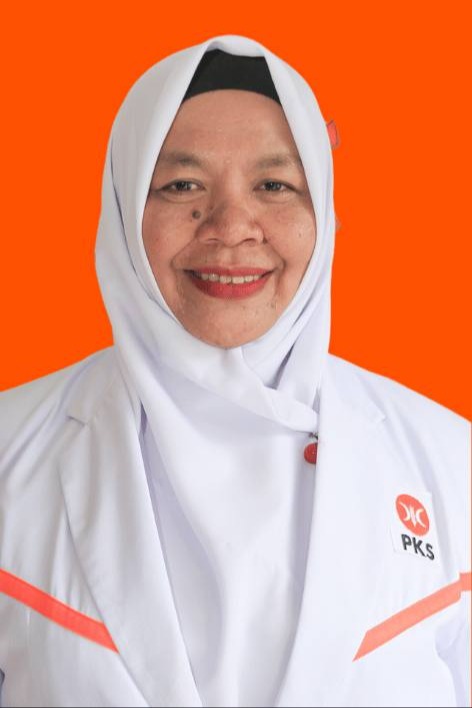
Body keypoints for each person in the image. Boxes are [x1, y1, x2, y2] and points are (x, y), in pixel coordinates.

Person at [0, 34, 469, 708]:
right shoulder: (11, 452)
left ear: (323, 211)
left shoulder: (449, 462)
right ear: (124, 209)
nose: (231, 226)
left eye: (274, 185)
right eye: (181, 185)